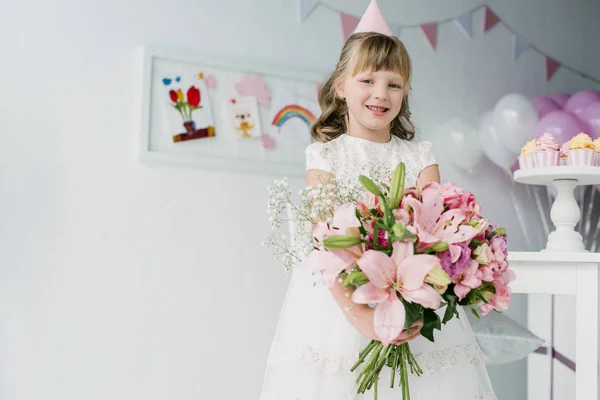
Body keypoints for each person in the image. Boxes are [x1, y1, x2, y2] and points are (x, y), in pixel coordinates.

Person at [260, 1, 497, 399]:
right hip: (339, 306)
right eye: (367, 80)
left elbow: (436, 237)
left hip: (412, 303)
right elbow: (322, 242)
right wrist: (363, 318)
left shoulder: (420, 156)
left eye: (394, 84)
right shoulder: (326, 156)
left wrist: (415, 306)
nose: (380, 93)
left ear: (405, 92)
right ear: (340, 86)